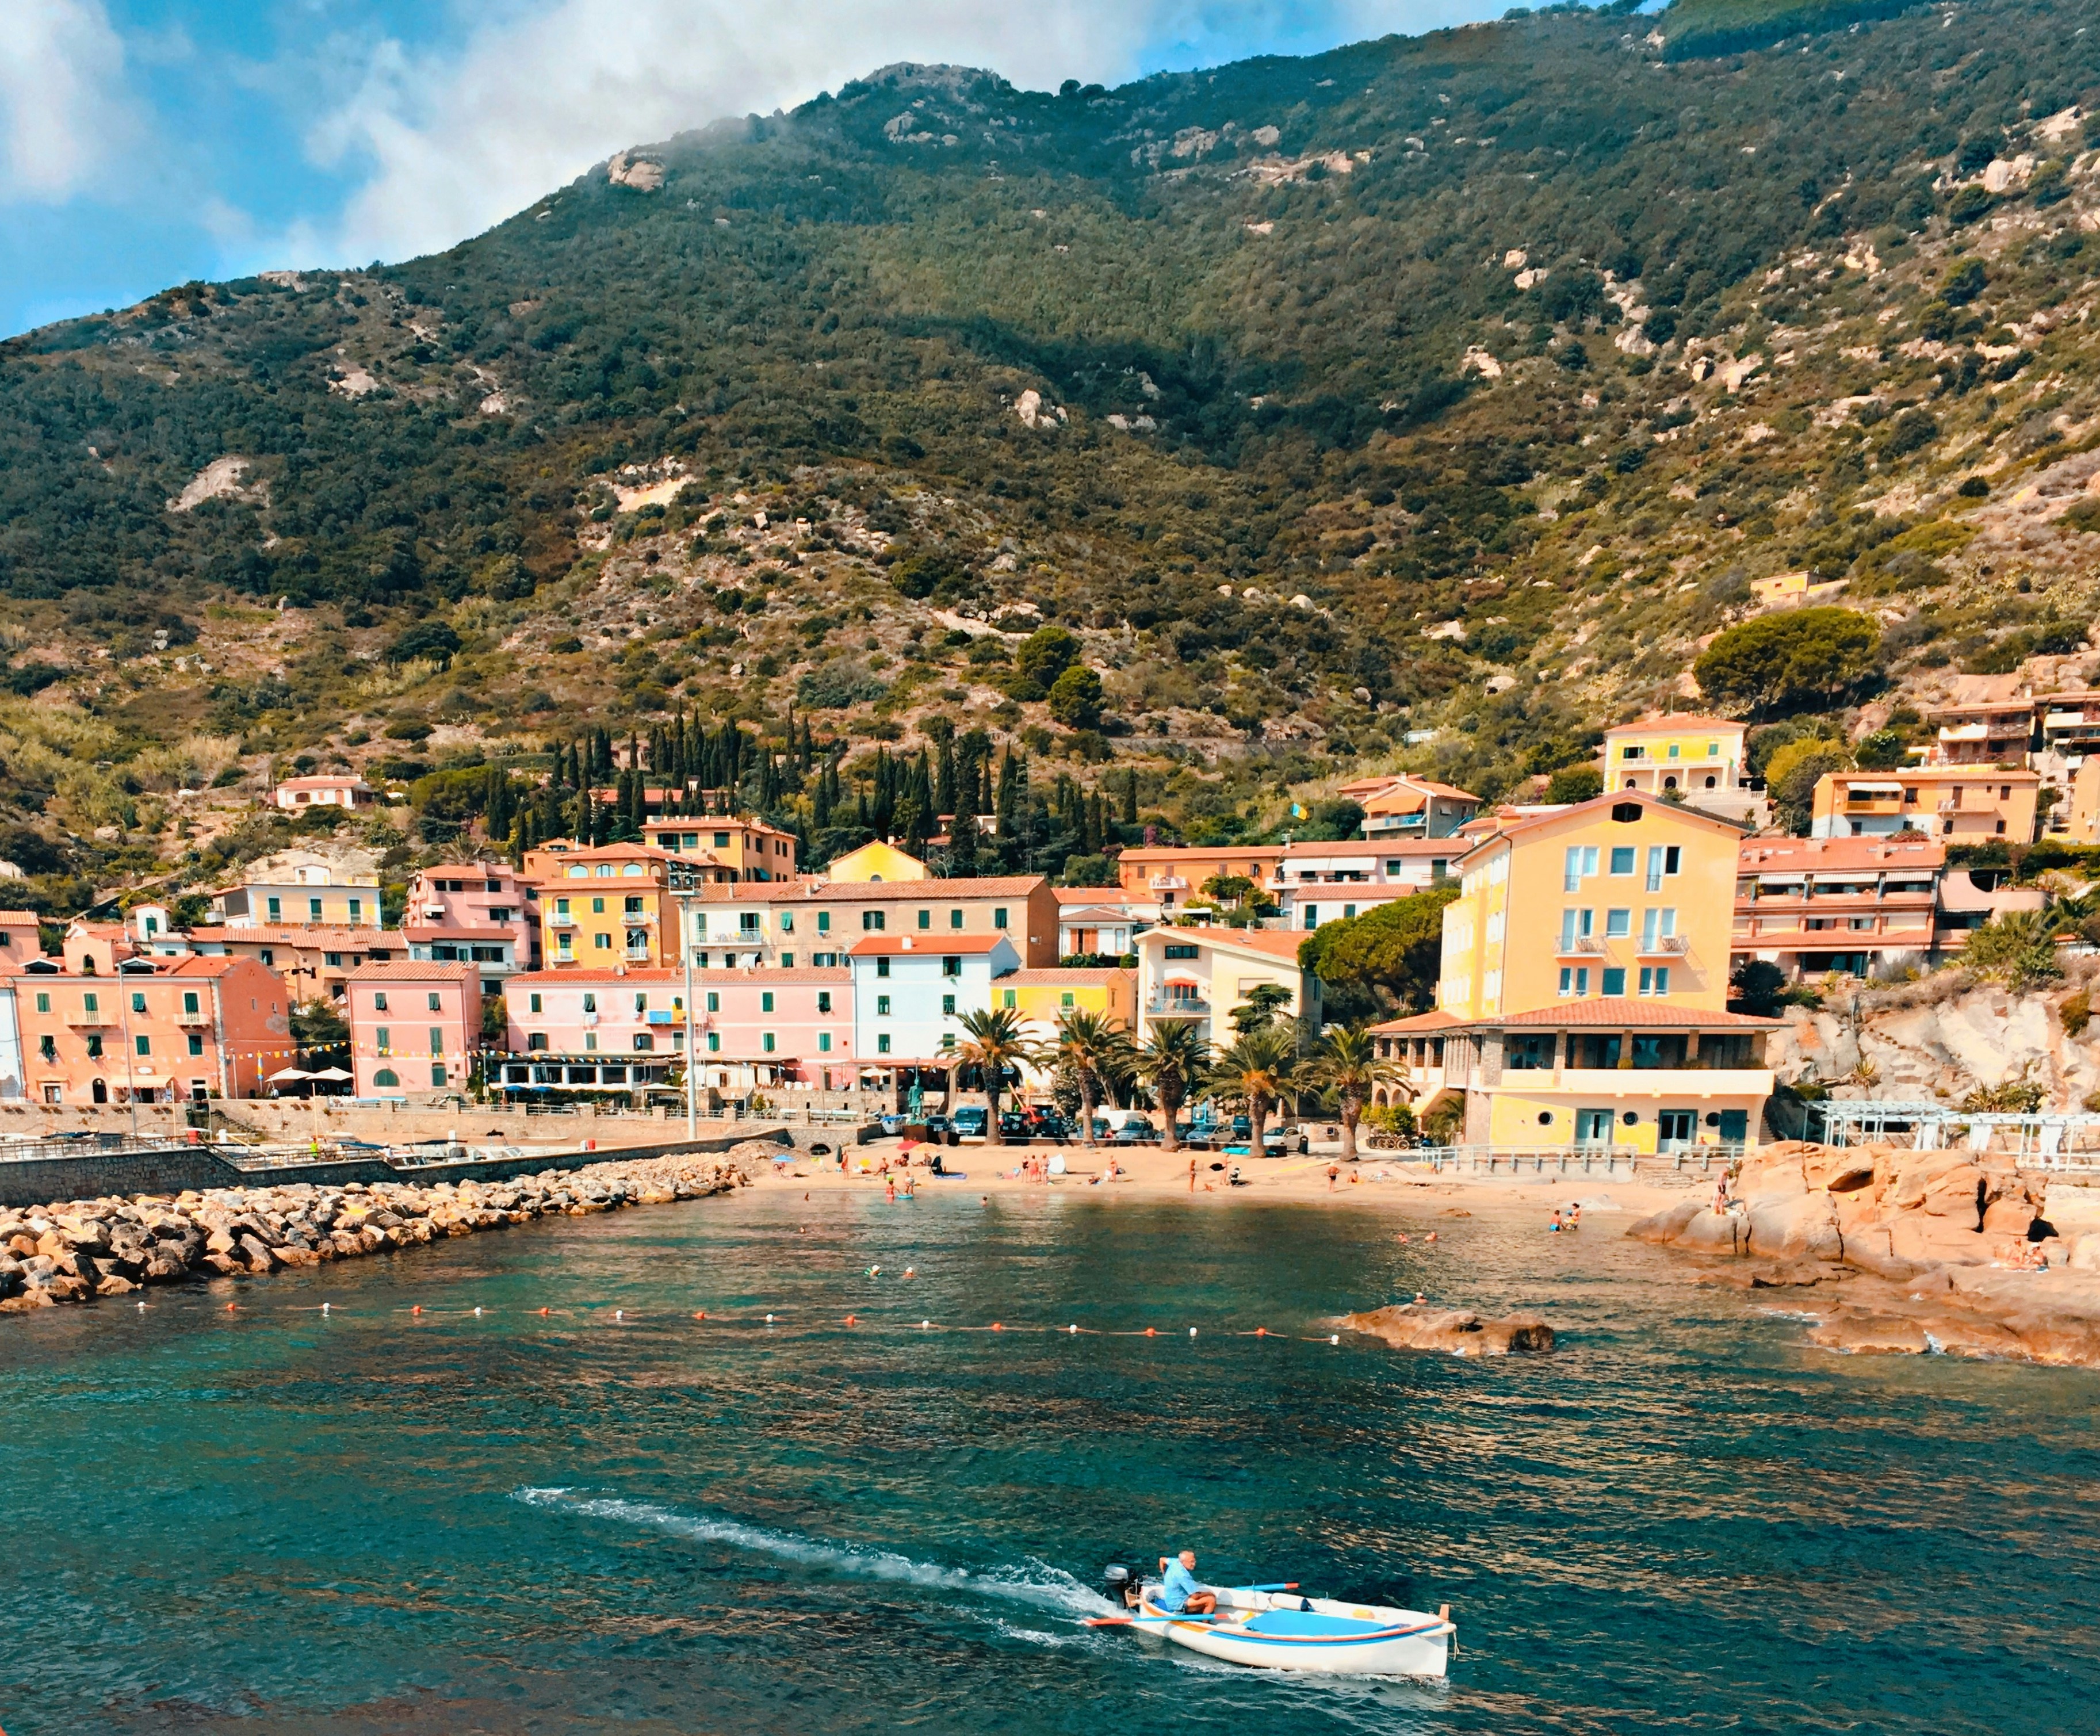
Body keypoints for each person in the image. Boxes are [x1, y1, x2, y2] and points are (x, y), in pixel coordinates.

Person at [1156, 1550, 1216, 1615]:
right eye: (1191, 1562)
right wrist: (1209, 1593)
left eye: (1194, 1561)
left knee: (1202, 1596)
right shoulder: (1183, 1575)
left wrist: (1164, 1574)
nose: (1194, 1564)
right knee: (1211, 1600)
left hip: (1171, 1598)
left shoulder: (1175, 1562)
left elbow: (1162, 1560)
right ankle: (1205, 1622)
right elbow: (1195, 1596)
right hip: (1177, 1604)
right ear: (1183, 1562)